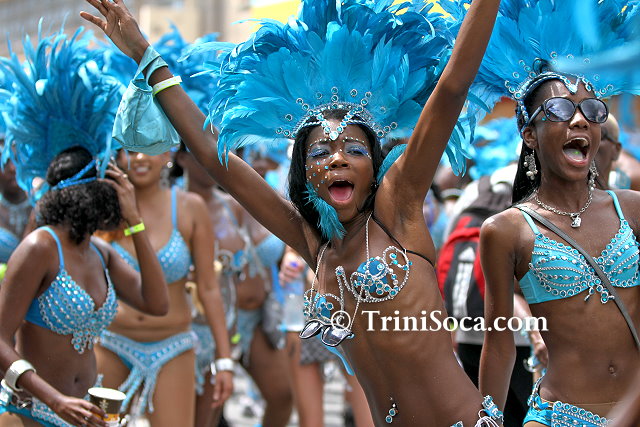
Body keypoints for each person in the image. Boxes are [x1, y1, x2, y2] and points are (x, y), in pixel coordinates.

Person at [81, 0, 503, 425]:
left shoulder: (398, 213)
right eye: (320, 152)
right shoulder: (314, 243)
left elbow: (451, 88)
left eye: (354, 150)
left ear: (375, 167)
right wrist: (146, 57)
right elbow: (213, 156)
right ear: (305, 174)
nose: (337, 159)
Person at [474, 2, 640, 426]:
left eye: (592, 110)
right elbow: (499, 343)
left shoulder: (632, 208)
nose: (580, 120)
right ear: (529, 134)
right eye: (561, 111)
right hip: (561, 416)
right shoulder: (506, 230)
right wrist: (487, 419)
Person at [93, 150, 233, 427]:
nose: (139, 157)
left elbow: (208, 288)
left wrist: (224, 359)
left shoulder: (189, 208)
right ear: (117, 156)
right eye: (130, 150)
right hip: (110, 344)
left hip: (172, 347)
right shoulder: (102, 208)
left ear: (168, 154)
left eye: (150, 148)